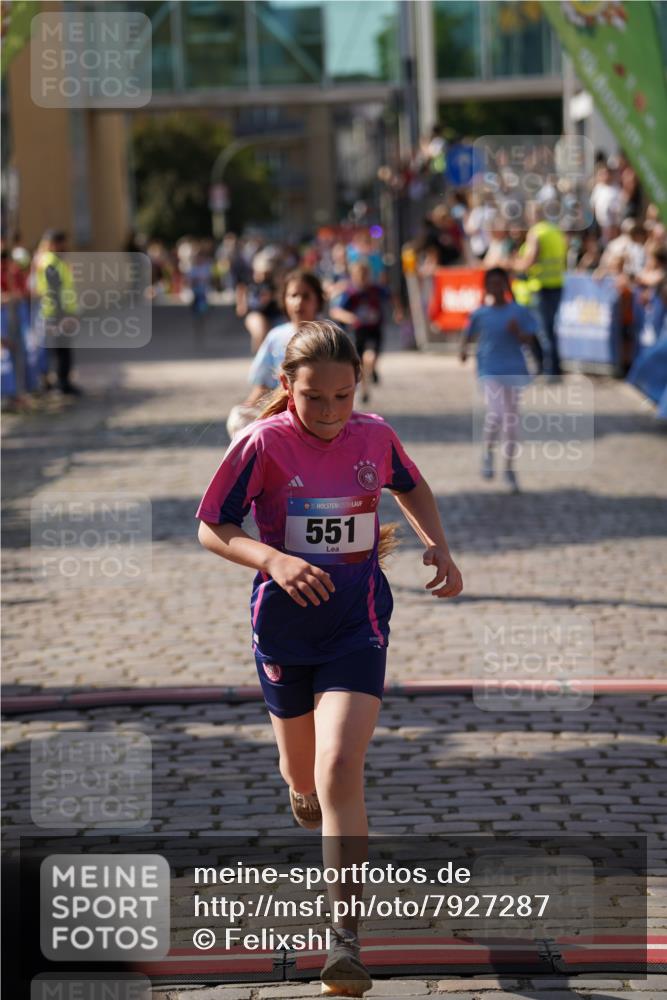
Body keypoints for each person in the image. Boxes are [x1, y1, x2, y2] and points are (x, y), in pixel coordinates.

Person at [196, 321, 463, 996]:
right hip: (283, 632)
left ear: (357, 389)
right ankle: (301, 787)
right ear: (287, 388)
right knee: (304, 776)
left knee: (341, 763)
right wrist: (274, 559)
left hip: (356, 624)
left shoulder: (373, 434)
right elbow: (212, 526)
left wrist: (437, 545)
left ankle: (342, 938)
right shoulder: (261, 444)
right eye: (314, 398)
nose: (329, 412)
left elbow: (412, 485)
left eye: (342, 396)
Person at [460, 268, 538, 494]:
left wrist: (518, 333)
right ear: (486, 287)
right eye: (491, 283)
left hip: (514, 369)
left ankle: (509, 469)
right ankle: (488, 452)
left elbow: (530, 338)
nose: (496, 287)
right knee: (496, 413)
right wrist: (463, 350)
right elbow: (468, 334)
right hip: (489, 369)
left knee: (511, 422)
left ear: (506, 285)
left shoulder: (519, 312)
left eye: (499, 283)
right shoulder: (480, 314)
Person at [226, 270, 325, 439]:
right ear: (283, 299)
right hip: (279, 411)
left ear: (318, 300)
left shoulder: (328, 335)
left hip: (319, 411)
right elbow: (261, 384)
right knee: (238, 419)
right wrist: (249, 408)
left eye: (306, 296)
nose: (298, 302)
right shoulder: (276, 337)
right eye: (293, 295)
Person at [330, 260, 397, 405]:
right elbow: (336, 311)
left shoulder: (376, 290)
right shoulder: (350, 294)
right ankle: (365, 390)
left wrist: (398, 310)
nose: (362, 278)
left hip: (374, 329)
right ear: (353, 276)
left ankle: (372, 369)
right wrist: (350, 318)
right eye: (359, 275)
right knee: (360, 363)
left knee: (371, 357)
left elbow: (391, 295)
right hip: (358, 332)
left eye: (365, 275)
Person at [513, 208, 567, 380]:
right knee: (550, 329)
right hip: (557, 283)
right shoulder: (555, 231)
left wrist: (514, 265)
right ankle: (554, 369)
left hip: (540, 286)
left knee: (542, 331)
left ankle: (549, 371)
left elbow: (530, 260)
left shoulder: (536, 233)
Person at [34, 229, 81, 395]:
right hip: (56, 313)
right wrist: (64, 316)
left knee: (61, 349)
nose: (66, 246)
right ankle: (61, 384)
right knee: (60, 350)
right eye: (62, 243)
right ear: (54, 244)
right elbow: (54, 291)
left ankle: (61, 382)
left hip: (58, 312)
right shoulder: (50, 263)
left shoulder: (55, 261)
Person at [235, 250, 282, 353]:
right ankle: (260, 358)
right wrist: (241, 304)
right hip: (255, 312)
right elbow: (241, 289)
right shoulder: (249, 280)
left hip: (274, 313)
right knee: (260, 330)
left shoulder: (274, 281)